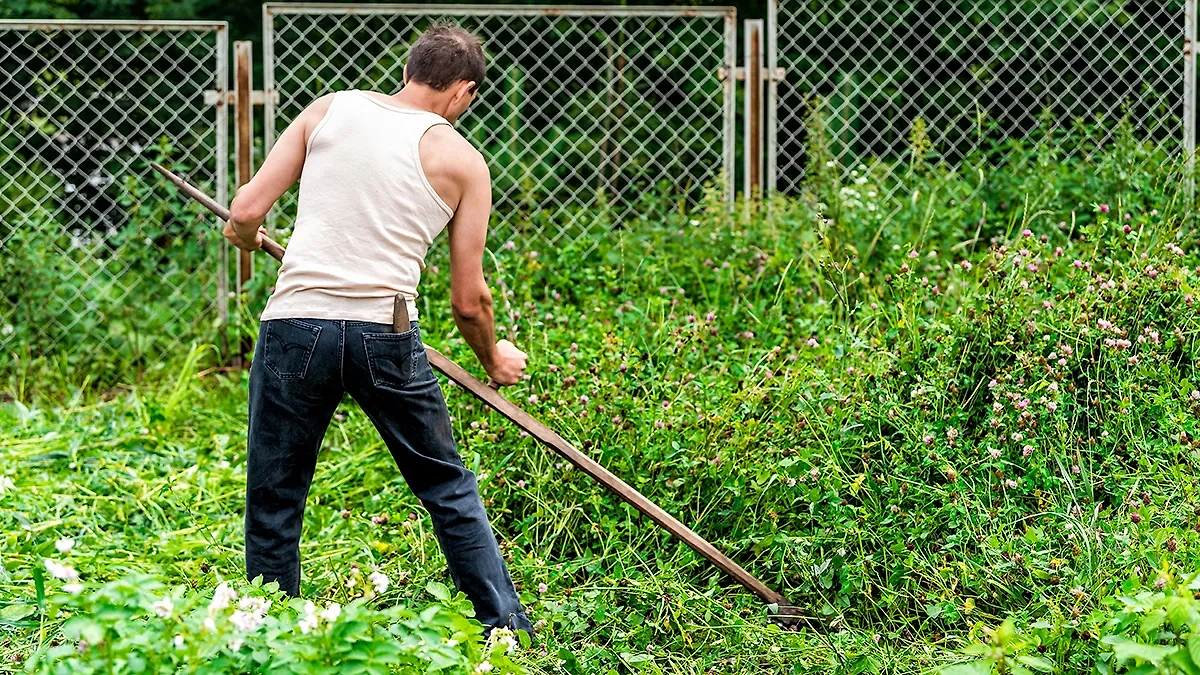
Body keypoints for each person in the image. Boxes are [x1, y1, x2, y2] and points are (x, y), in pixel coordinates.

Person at [222, 22, 532, 635]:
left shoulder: (329, 111)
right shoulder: (464, 162)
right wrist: (494, 359)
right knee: (445, 486)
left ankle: (270, 632)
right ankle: (504, 628)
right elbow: (469, 302)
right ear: (464, 91)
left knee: (275, 494)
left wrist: (244, 235)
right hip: (384, 334)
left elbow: (248, 209)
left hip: (295, 324)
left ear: (409, 71)